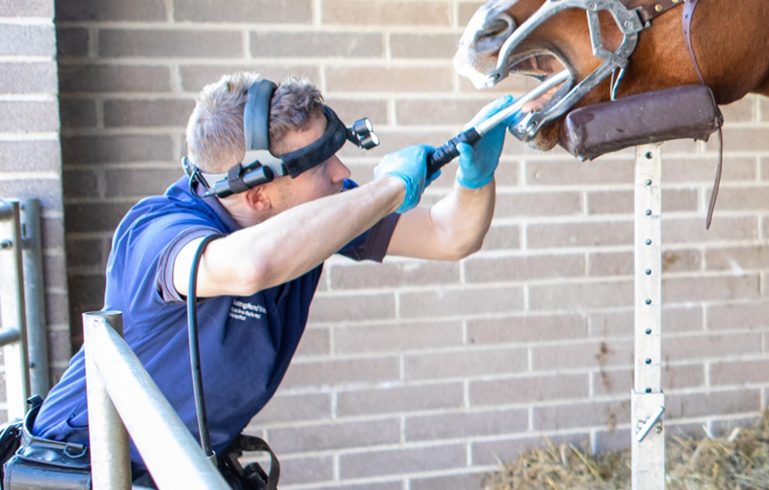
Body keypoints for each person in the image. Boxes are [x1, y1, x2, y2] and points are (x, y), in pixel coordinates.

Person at [9, 71, 513, 487]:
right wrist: (387, 188)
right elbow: (250, 266)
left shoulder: (314, 216)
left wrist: (476, 175)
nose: (341, 172)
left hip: (177, 468)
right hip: (79, 471)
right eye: (321, 164)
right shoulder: (157, 231)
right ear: (256, 196)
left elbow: (451, 236)